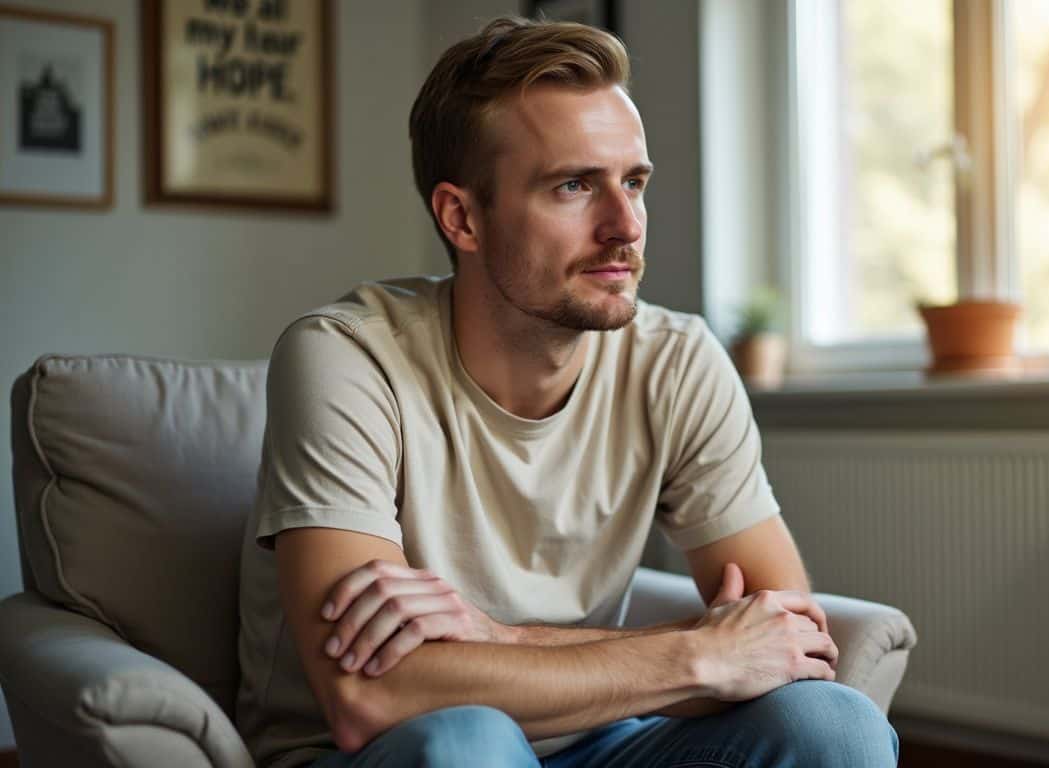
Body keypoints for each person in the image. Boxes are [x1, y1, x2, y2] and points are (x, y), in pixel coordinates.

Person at [235, 16, 900, 768]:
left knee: (831, 726)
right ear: (462, 217)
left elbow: (793, 645)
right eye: (575, 185)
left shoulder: (676, 361)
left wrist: (501, 643)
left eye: (635, 182)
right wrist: (699, 654)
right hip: (395, 752)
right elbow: (367, 698)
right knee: (472, 741)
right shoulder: (347, 358)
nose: (625, 227)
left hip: (604, 737)